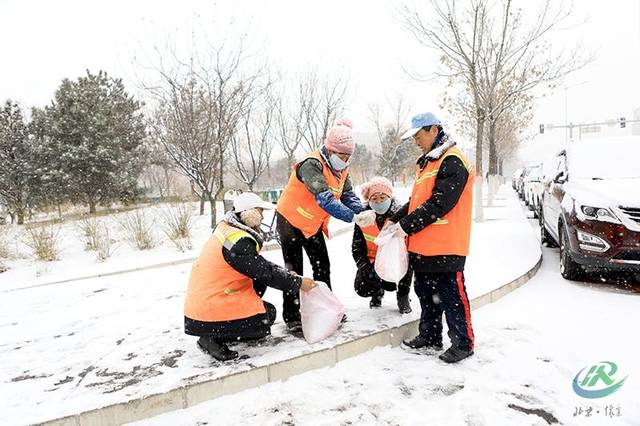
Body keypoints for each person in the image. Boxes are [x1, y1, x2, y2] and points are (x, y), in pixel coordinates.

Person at [383, 112, 475, 364]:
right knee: (426, 293)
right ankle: (430, 335)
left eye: (418, 134)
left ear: (434, 129)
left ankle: (463, 343)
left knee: (452, 296)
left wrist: (406, 226)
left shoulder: (452, 160)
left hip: (447, 244)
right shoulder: (427, 162)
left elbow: (440, 202)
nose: (415, 141)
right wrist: (392, 219)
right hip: (423, 245)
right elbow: (416, 203)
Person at [184, 192, 316, 361]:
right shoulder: (237, 241)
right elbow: (264, 272)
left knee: (263, 299)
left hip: (207, 301)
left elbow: (259, 265)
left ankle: (220, 328)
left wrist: (286, 275)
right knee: (265, 319)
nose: (262, 217)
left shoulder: (229, 228)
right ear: (249, 214)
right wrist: (298, 283)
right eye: (260, 212)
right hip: (209, 308)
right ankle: (211, 338)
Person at [275, 119, 376, 333]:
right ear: (330, 150)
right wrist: (352, 217)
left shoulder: (342, 170)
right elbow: (325, 199)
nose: (345, 160)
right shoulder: (311, 164)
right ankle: (292, 316)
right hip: (289, 221)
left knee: (323, 266)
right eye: (342, 155)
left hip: (312, 224)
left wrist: (361, 211)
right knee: (294, 270)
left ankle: (328, 309)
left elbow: (347, 194)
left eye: (348, 156)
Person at [352, 176, 413, 313]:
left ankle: (403, 296)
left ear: (390, 197)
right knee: (361, 286)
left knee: (407, 267)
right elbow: (357, 247)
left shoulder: (400, 215)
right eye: (374, 198)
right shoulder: (364, 217)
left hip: (396, 262)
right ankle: (377, 291)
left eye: (382, 197)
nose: (379, 202)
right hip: (374, 262)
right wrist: (365, 268)